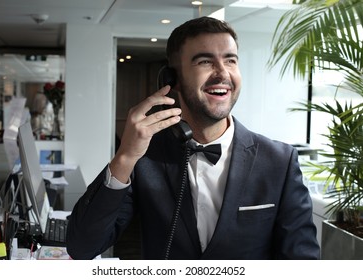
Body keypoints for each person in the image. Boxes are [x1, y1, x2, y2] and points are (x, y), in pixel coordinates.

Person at [66, 16, 320, 260]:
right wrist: (124, 157)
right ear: (172, 79)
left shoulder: (279, 161)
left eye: (230, 60)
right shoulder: (145, 157)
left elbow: (300, 262)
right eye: (205, 62)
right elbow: (82, 247)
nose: (223, 73)